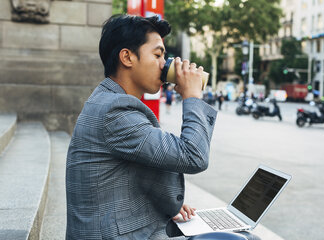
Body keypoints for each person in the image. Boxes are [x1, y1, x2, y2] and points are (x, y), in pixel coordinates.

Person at [65, 14, 217, 240]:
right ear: (127, 57)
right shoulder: (114, 111)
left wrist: (169, 205)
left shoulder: (109, 100)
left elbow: (132, 170)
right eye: (157, 55)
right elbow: (193, 156)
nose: (164, 65)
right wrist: (192, 97)